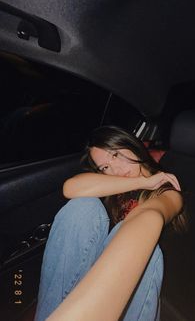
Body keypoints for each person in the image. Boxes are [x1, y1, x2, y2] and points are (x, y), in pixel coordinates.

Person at [34, 125, 185, 321]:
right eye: (105, 167)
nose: (115, 169)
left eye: (115, 155)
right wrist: (141, 182)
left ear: (131, 144)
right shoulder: (113, 189)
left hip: (133, 286)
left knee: (147, 250)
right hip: (91, 278)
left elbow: (149, 216)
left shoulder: (168, 192)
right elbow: (70, 188)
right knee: (84, 207)